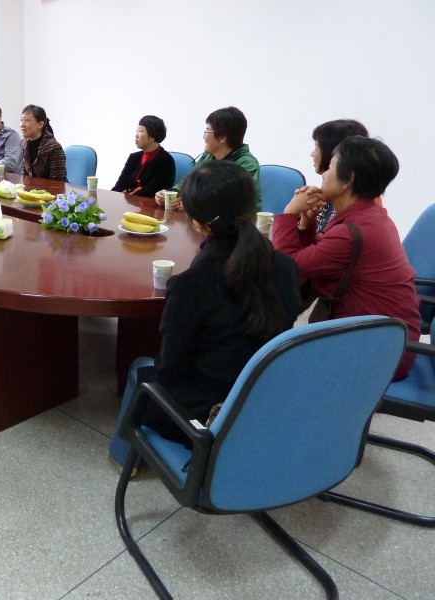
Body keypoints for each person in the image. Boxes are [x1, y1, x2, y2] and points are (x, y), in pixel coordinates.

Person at [109, 161, 301, 467]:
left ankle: (123, 458)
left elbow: (169, 371)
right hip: (263, 401)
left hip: (210, 414)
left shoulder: (190, 285)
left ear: (200, 225)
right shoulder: (286, 267)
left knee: (140, 368)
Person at [273, 135, 420, 380]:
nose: (324, 173)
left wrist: (289, 214)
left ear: (348, 180)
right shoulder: (371, 217)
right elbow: (316, 260)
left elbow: (286, 266)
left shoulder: (351, 233)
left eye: (330, 166)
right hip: (388, 339)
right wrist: (307, 224)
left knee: (265, 353)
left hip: (375, 351)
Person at [155, 106, 261, 211]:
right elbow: (187, 183)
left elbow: (233, 201)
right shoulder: (208, 156)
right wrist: (168, 194)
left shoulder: (246, 163)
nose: (203, 136)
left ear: (222, 137)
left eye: (207, 131)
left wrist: (194, 203)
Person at [308, 119, 370, 233]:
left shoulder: (351, 204)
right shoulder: (332, 191)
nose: (312, 154)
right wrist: (305, 223)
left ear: (332, 152)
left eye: (317, 147)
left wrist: (289, 213)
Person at [111, 115, 176, 197]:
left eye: (140, 131)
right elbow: (119, 185)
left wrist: (130, 194)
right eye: (137, 131)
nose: (136, 135)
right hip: (129, 201)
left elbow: (152, 191)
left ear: (152, 136)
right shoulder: (134, 157)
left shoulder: (165, 160)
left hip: (149, 203)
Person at [19, 105, 66, 181]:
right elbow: (25, 176)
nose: (22, 125)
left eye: (27, 120)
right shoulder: (24, 144)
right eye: (21, 120)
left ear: (40, 124)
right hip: (31, 187)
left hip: (50, 188)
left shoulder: (54, 148)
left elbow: (57, 183)